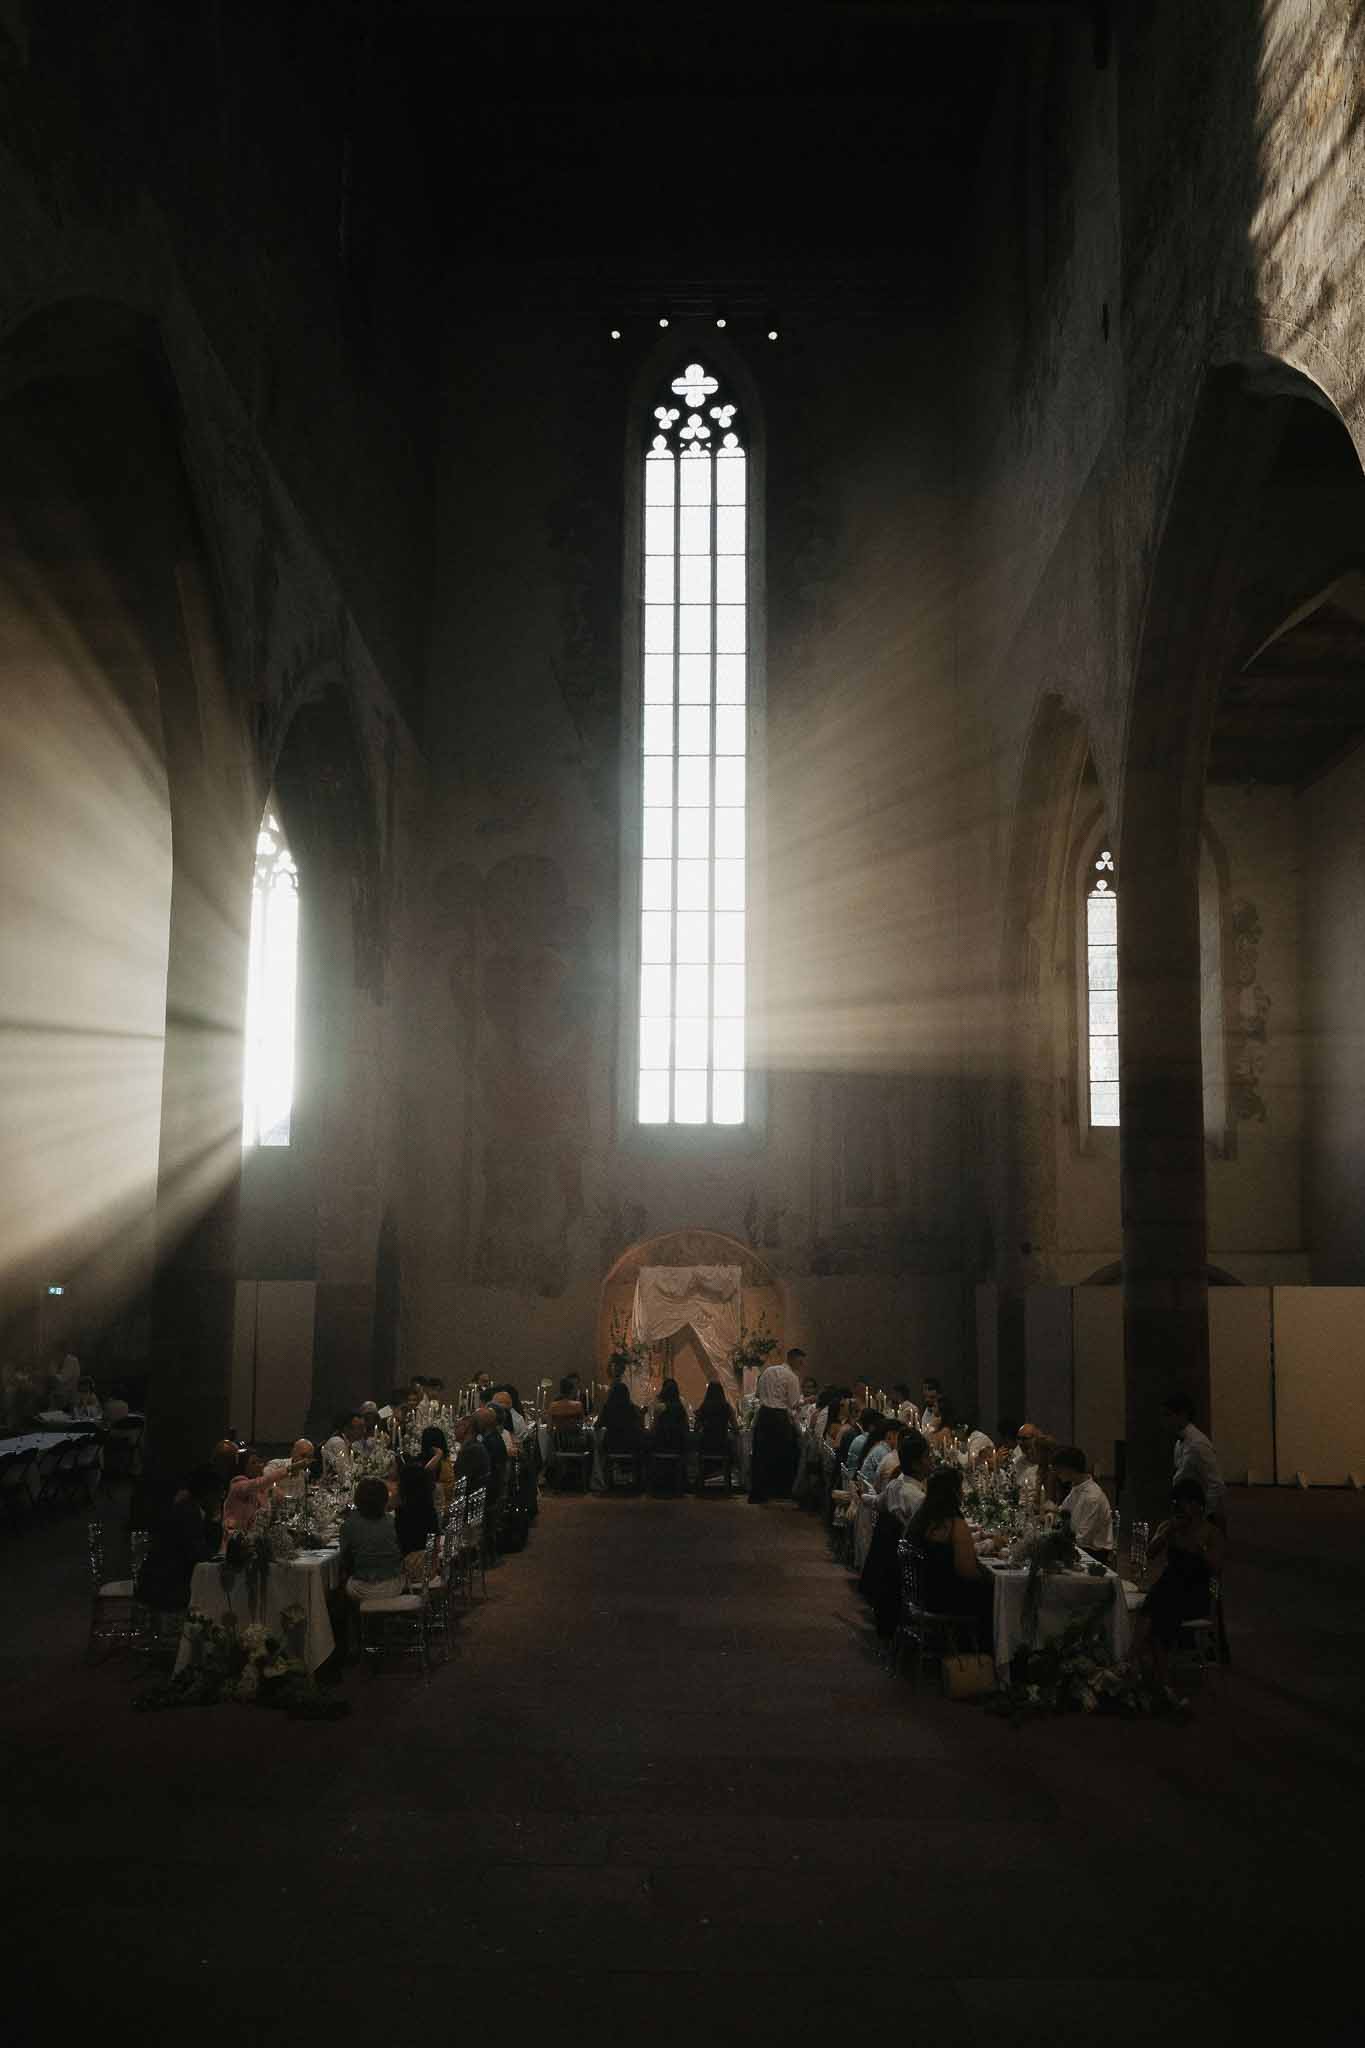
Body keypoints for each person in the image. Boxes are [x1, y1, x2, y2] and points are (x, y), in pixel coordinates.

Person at [1135, 1477, 1225, 1689]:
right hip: (1170, 1586)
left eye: (1184, 1503)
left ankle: (1146, 1666)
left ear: (1197, 1504)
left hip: (1196, 1592)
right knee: (1158, 1603)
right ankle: (1154, 1672)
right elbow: (1149, 1553)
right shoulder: (1170, 1526)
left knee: (1156, 1610)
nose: (1180, 1508)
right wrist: (1167, 1533)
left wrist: (1199, 1547)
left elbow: (1216, 1567)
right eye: (1177, 1503)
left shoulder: (1211, 1532)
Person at [902, 1467, 994, 1642]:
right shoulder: (953, 1523)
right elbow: (966, 1571)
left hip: (920, 1593)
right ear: (952, 1492)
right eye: (960, 1488)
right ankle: (981, 1654)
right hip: (941, 1599)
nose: (963, 1493)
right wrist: (990, 1577)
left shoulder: (922, 1517)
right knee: (994, 1595)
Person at [860, 1430, 932, 1636]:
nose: (932, 1461)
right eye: (928, 1456)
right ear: (918, 1464)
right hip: (915, 1575)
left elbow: (877, 1502)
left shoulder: (895, 1485)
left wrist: (861, 1496)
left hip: (891, 1567)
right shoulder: (917, 1498)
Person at [136, 1468, 225, 1615]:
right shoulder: (188, 1514)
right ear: (208, 1493)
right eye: (219, 1492)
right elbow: (202, 1555)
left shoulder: (190, 1509)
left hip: (165, 1581)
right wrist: (215, 1519)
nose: (221, 1498)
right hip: (166, 1586)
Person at [338, 1478, 406, 1636]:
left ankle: (351, 1638)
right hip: (393, 1585)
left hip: (362, 1588)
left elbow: (345, 1560)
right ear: (384, 1499)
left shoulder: (349, 1525)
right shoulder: (393, 1521)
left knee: (337, 1588)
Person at [748, 1346, 803, 1503]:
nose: (801, 1365)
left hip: (764, 1414)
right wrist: (805, 1402)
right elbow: (792, 1403)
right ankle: (778, 1491)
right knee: (782, 1454)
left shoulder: (767, 1371)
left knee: (760, 1454)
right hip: (779, 1417)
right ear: (792, 1359)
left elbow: (758, 1395)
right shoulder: (792, 1377)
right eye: (800, 1362)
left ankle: (757, 1493)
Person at [1163, 1393, 1226, 1526]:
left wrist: (1201, 1514)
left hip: (1202, 1521)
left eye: (1169, 1415)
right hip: (1187, 1517)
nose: (1166, 1421)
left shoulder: (1198, 1444)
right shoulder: (1180, 1444)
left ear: (1183, 1415)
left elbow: (1217, 1484)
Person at [1049, 1446, 1114, 1560]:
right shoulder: (1077, 1488)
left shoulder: (1092, 1497)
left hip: (1094, 1554)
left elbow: (1083, 1539)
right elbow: (1063, 1514)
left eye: (1058, 1469)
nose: (1056, 1473)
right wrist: (1053, 1512)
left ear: (1069, 1468)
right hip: (1077, 1546)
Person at [394, 1457, 439, 1562]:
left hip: (408, 1565)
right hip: (430, 1563)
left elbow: (398, 1546)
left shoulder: (402, 1513)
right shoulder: (430, 1510)